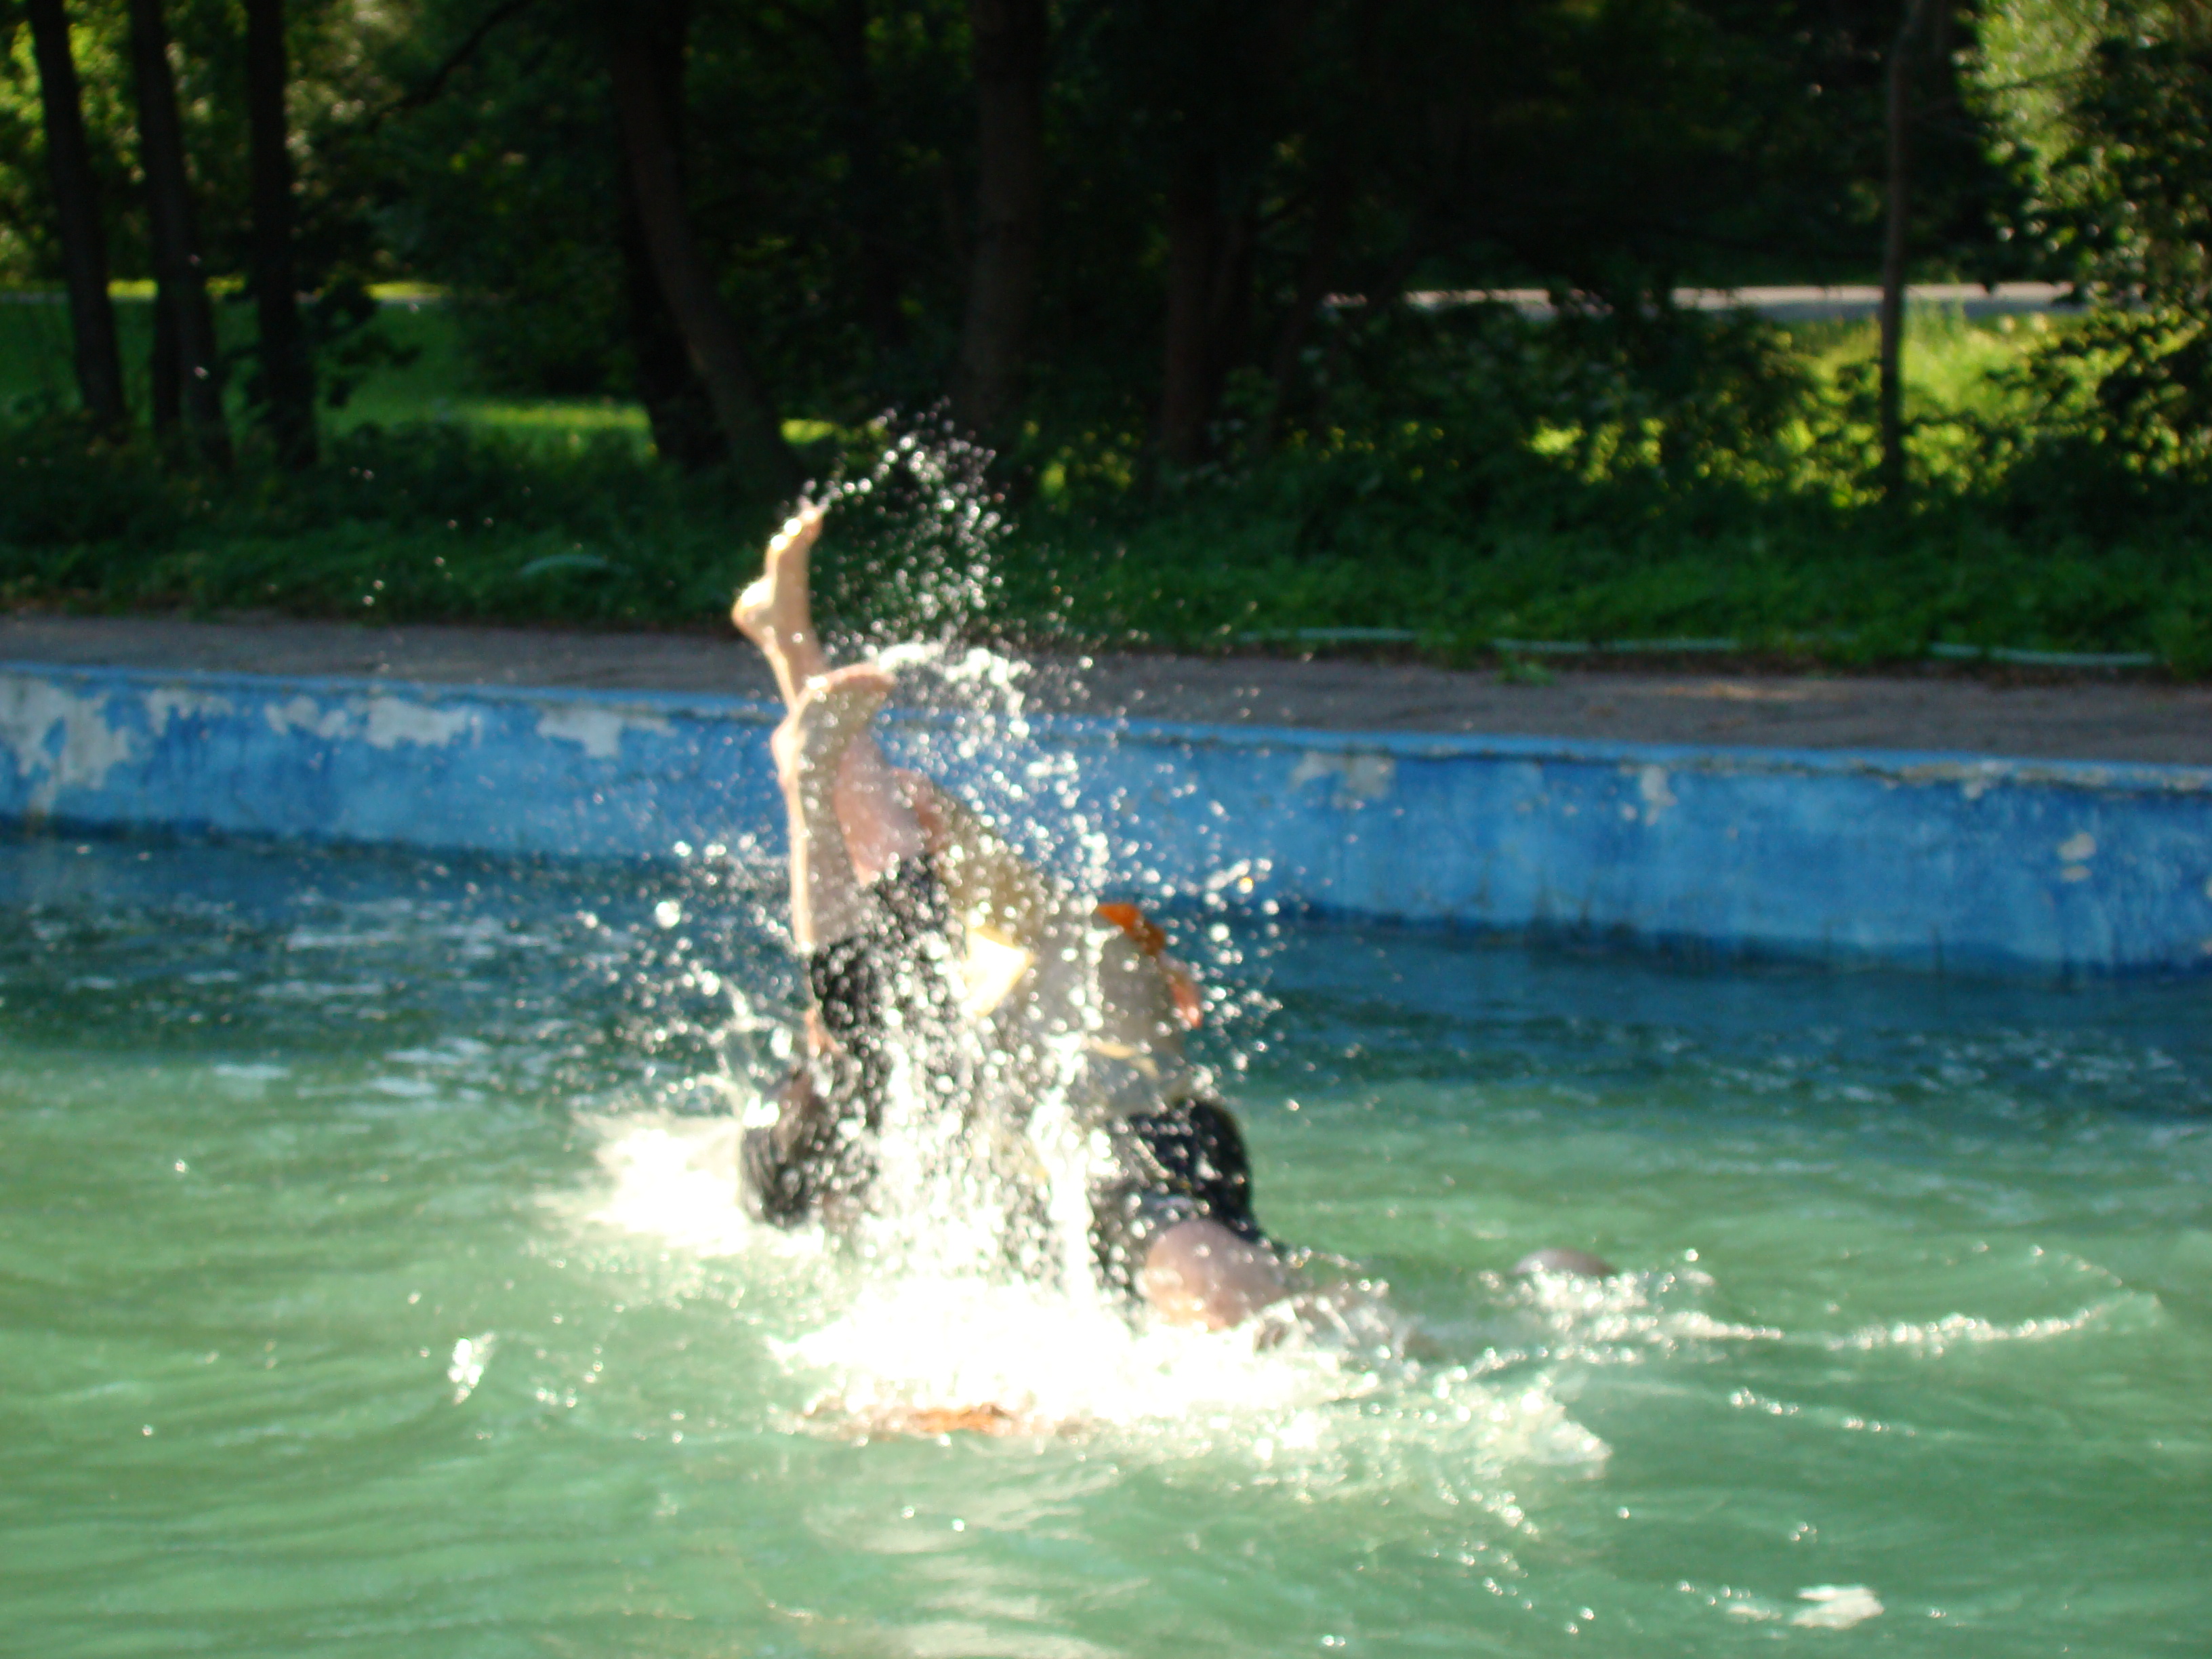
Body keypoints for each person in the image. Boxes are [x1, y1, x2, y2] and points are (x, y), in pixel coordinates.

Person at [731, 502, 1291, 1330]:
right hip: (1085, 1140)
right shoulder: (876, 1111)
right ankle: (791, 661)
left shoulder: (920, 1090)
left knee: (912, 980)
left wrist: (1130, 945)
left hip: (1106, 1142)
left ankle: (790, 654)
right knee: (903, 1010)